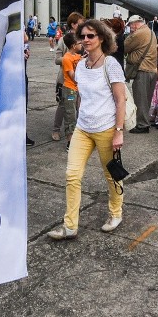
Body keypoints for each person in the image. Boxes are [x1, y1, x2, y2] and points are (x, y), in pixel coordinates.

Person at [48, 19, 127, 241]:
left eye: (90, 36)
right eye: (82, 36)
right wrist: (78, 121)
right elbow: (81, 96)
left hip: (106, 129)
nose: (85, 40)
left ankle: (116, 213)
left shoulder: (111, 64)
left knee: (111, 175)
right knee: (71, 175)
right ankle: (70, 226)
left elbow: (120, 100)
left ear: (102, 38)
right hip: (83, 129)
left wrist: (118, 131)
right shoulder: (81, 65)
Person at [52, 12, 85, 141]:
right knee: (62, 105)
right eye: (81, 24)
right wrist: (70, 59)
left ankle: (77, 131)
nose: (83, 26)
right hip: (65, 78)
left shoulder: (83, 38)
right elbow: (56, 59)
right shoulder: (64, 39)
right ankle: (56, 129)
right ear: (74, 24)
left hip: (79, 79)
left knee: (79, 106)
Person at [124, 14, 158, 133]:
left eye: (130, 25)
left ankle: (142, 125)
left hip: (142, 70)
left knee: (140, 98)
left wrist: (130, 35)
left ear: (135, 23)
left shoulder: (138, 34)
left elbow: (125, 47)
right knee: (146, 98)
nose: (129, 28)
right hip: (151, 69)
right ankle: (145, 121)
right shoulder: (150, 32)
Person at [60, 32, 83, 151]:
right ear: (74, 45)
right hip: (70, 90)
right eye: (79, 43)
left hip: (78, 89)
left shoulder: (78, 57)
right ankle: (70, 142)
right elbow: (73, 76)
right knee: (70, 115)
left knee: (79, 114)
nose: (82, 44)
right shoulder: (67, 58)